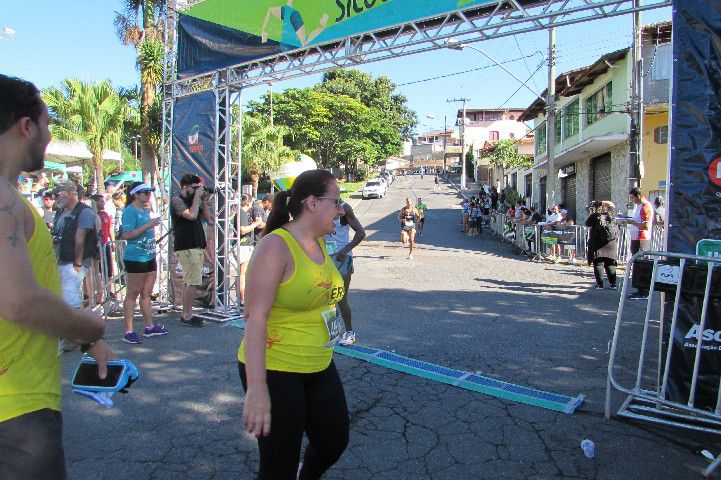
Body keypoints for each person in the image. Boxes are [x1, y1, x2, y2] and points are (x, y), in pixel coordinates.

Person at [0, 74, 115, 480]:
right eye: (46, 124)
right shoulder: (4, 200)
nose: (48, 135)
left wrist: (86, 338)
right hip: (15, 408)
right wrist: (90, 324)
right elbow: (19, 302)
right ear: (25, 126)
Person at [239, 169, 349, 479]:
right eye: (337, 201)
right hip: (277, 368)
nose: (341, 210)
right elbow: (254, 317)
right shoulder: (276, 246)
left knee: (333, 441)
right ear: (313, 203)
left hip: (318, 362)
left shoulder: (318, 242)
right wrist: (257, 389)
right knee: (278, 466)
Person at [120, 182, 168, 344]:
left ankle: (149, 326)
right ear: (136, 195)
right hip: (135, 256)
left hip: (149, 255)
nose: (148, 196)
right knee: (132, 293)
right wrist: (149, 225)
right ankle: (129, 330)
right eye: (145, 193)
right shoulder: (129, 211)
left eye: (149, 193)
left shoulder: (145, 211)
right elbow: (127, 234)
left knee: (146, 293)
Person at [171, 174, 212, 327]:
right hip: (186, 246)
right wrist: (196, 198)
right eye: (194, 188)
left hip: (196, 245)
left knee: (191, 280)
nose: (197, 191)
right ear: (184, 187)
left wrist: (204, 201)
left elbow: (207, 219)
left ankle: (186, 312)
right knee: (193, 281)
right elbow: (192, 216)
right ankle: (187, 315)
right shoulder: (177, 201)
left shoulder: (193, 201)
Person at [51, 181, 100, 308]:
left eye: (56, 195)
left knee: (70, 300)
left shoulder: (84, 212)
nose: (54, 198)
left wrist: (77, 264)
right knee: (62, 299)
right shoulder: (60, 213)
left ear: (67, 194)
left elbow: (80, 238)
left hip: (73, 262)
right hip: (61, 260)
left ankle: (75, 327)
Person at [325, 200, 365, 346]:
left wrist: (344, 251)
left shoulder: (345, 208)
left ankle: (349, 332)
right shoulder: (320, 206)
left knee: (340, 297)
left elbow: (361, 233)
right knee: (326, 297)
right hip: (324, 258)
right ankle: (333, 332)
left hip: (341, 259)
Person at [624, 187, 654, 299]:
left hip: (642, 239)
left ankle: (644, 292)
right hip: (636, 239)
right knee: (637, 265)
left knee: (641, 265)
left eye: (632, 198)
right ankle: (640, 290)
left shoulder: (645, 206)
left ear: (639, 196)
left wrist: (632, 222)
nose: (632, 200)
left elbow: (645, 225)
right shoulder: (639, 206)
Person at [235, 193, 262, 308]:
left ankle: (242, 298)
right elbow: (242, 230)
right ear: (249, 202)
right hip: (244, 245)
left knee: (243, 273)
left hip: (245, 245)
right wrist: (256, 224)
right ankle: (242, 299)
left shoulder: (240, 212)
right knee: (243, 274)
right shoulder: (241, 212)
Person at [585, 200, 618, 289]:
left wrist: (592, 212)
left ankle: (600, 284)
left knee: (598, 263)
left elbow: (587, 224)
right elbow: (612, 204)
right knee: (610, 263)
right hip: (611, 243)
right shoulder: (611, 215)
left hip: (597, 243)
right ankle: (613, 284)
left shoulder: (595, 216)